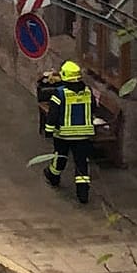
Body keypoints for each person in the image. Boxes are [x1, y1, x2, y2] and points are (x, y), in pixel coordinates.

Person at [43, 61, 97, 204]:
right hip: (83, 136)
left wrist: (48, 131)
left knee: (60, 157)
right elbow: (93, 108)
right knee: (81, 163)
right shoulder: (88, 91)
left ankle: (53, 177)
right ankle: (83, 193)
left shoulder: (60, 93)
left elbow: (52, 114)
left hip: (63, 135)